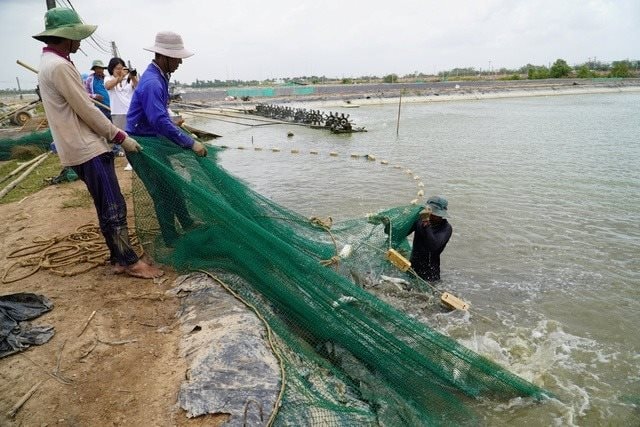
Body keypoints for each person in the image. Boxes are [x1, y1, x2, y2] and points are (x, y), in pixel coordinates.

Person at [33, 7, 163, 279]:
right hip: (86, 147)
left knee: (106, 203)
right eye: (76, 37)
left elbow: (77, 102)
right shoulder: (59, 66)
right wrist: (120, 136)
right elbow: (87, 110)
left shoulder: (51, 62)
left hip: (76, 146)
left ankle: (118, 257)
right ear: (65, 37)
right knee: (113, 205)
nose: (80, 42)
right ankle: (128, 261)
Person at [126, 31, 207, 246]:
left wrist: (173, 124)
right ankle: (171, 239)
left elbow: (158, 117)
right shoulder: (152, 82)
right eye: (176, 57)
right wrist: (190, 142)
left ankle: (187, 223)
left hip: (151, 140)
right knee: (162, 193)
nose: (180, 62)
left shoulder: (160, 76)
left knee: (173, 186)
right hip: (141, 145)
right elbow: (158, 120)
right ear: (163, 56)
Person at [409, 196, 452, 281]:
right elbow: (404, 232)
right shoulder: (419, 220)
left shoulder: (446, 228)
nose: (432, 215)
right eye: (430, 212)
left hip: (430, 274)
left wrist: (426, 224)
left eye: (435, 214)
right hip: (412, 267)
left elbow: (434, 247)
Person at [105, 57, 138, 166]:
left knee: (134, 136)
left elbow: (138, 88)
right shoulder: (108, 78)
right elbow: (108, 86)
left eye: (121, 68)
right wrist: (121, 77)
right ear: (112, 69)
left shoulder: (128, 80)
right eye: (117, 69)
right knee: (123, 138)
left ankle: (136, 160)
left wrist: (133, 77)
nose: (120, 71)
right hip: (117, 113)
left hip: (131, 112)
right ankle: (129, 161)